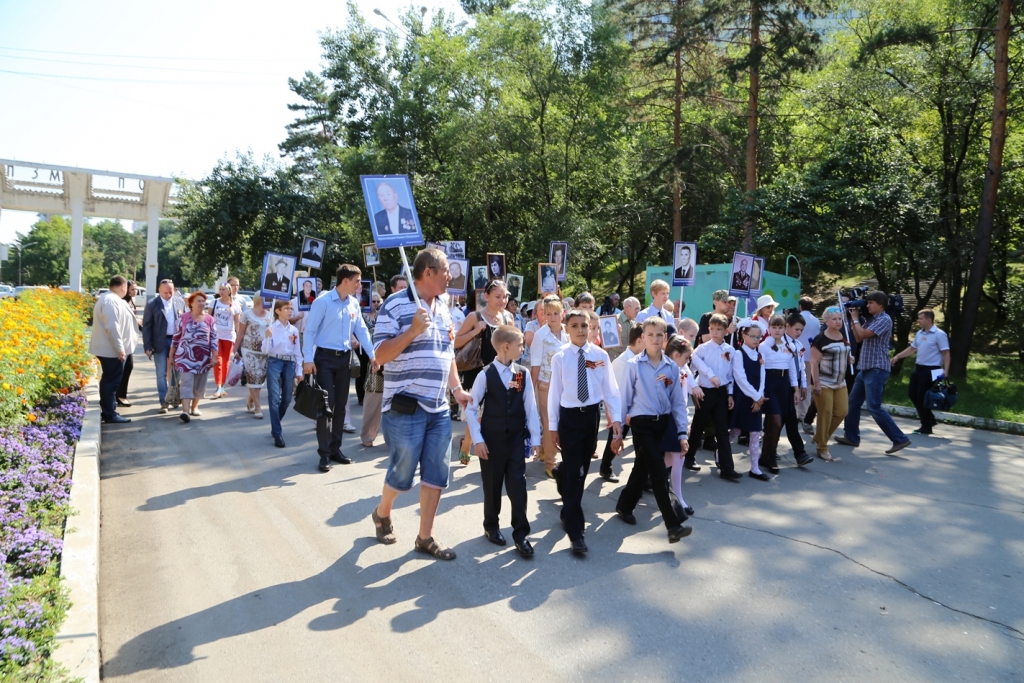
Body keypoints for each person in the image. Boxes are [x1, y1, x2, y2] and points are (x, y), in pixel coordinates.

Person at [369, 247, 472, 561]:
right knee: (402, 476)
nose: (450, 277)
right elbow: (379, 356)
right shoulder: (396, 304)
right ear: (428, 272)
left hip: (438, 407)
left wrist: (456, 389)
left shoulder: (444, 307)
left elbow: (446, 354)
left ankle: (424, 537)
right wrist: (412, 330)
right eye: (446, 272)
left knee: (436, 474)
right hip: (405, 406)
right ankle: (382, 512)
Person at [547, 309, 621, 555]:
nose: (580, 330)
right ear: (567, 328)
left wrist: (616, 419)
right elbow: (554, 394)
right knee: (577, 474)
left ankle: (562, 477)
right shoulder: (560, 357)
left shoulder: (600, 356)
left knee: (578, 470)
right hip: (569, 417)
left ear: (592, 328)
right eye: (575, 326)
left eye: (584, 326)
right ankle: (575, 530)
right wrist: (553, 427)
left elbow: (610, 389)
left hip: (590, 417)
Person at [613, 317, 692, 543]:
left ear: (665, 338)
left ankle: (624, 504)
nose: (655, 339)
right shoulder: (633, 365)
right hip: (641, 424)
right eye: (650, 335)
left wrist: (682, 434)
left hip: (663, 424)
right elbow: (624, 398)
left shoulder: (671, 368)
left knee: (642, 467)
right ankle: (673, 523)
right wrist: (618, 434)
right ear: (643, 338)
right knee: (658, 471)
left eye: (659, 335)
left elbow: (678, 402)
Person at [465, 325, 541, 557]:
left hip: (516, 439)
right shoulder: (485, 375)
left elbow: (531, 406)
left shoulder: (522, 374)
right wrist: (477, 440)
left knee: (518, 486)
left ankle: (521, 534)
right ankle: (491, 526)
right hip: (491, 440)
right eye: (520, 345)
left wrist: (536, 438)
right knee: (492, 485)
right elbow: (470, 408)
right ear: (506, 347)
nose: (523, 349)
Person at [302, 264, 376, 472]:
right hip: (324, 359)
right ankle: (324, 454)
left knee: (341, 405)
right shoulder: (322, 302)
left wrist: (372, 355)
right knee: (327, 406)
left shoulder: (353, 303)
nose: (359, 285)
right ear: (345, 281)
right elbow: (309, 332)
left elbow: (361, 330)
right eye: (357, 281)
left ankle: (336, 449)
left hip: (344, 360)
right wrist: (308, 359)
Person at [836, 291, 912, 454]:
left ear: (881, 305)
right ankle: (851, 437)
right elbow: (858, 338)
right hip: (866, 368)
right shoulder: (872, 319)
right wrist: (853, 319)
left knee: (874, 407)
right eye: (867, 302)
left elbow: (862, 334)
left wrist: (856, 319)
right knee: (852, 403)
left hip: (877, 368)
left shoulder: (884, 319)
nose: (868, 305)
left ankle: (900, 439)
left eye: (871, 303)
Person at [454, 279, 513, 464]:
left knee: (495, 412)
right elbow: (455, 342)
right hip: (477, 371)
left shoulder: (508, 318)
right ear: (486, 296)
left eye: (505, 297)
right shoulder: (475, 317)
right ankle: (467, 444)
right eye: (498, 296)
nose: (502, 301)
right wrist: (475, 331)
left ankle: (484, 447)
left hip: (500, 370)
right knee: (476, 412)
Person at [687, 313, 740, 480]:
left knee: (722, 430)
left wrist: (730, 394)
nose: (715, 332)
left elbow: (730, 375)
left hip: (722, 393)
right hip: (706, 392)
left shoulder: (730, 350)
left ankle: (727, 468)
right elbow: (694, 365)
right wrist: (701, 383)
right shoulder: (702, 348)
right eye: (712, 329)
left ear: (726, 331)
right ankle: (689, 457)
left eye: (719, 329)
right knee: (698, 426)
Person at [890, 309, 950, 436]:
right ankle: (930, 418)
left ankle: (926, 426)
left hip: (932, 369)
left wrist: (946, 370)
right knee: (912, 394)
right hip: (919, 368)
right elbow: (912, 349)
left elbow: (946, 353)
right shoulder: (919, 333)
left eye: (921, 318)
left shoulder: (939, 334)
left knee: (922, 396)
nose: (918, 320)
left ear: (929, 320)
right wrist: (897, 357)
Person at [90, 276, 138, 424]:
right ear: (123, 286)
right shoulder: (111, 301)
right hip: (111, 351)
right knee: (111, 382)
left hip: (111, 349)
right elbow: (112, 327)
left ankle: (109, 411)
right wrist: (120, 349)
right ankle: (109, 413)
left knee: (110, 380)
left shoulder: (110, 299)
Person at [530, 296, 569, 478]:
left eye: (555, 313)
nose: (552, 318)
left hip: (567, 385)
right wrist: (531, 390)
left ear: (562, 313)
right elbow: (535, 365)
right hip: (546, 384)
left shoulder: (568, 332)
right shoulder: (540, 335)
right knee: (549, 421)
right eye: (548, 314)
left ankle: (551, 451)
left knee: (563, 421)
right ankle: (550, 463)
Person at [599, 323, 644, 482]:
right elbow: (613, 390)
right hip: (623, 410)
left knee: (641, 444)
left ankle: (642, 478)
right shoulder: (621, 362)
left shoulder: (642, 359)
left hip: (638, 409)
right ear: (639, 341)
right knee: (616, 438)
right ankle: (605, 467)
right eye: (648, 337)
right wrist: (615, 414)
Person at [809, 306, 852, 460]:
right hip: (824, 382)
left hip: (840, 382)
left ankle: (820, 436)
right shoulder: (820, 338)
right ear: (826, 321)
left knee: (842, 412)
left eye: (839, 318)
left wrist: (849, 359)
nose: (838, 321)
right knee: (825, 413)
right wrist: (817, 383)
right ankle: (822, 447)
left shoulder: (842, 335)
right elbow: (813, 362)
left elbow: (843, 352)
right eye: (834, 319)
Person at [169, 291, 218, 423]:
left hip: (203, 359)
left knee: (199, 385)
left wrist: (214, 356)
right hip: (185, 357)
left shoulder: (209, 319)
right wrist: (171, 355)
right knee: (186, 383)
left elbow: (213, 339)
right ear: (191, 303)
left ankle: (194, 407)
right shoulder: (184, 317)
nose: (202, 303)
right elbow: (176, 337)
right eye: (199, 301)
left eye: (203, 301)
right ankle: (185, 411)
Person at [262, 300, 303, 448]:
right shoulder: (271, 328)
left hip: (289, 363)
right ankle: (277, 433)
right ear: (278, 311)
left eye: (291, 308)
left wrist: (299, 371)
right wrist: (267, 337)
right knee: (274, 397)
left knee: (286, 398)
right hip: (275, 361)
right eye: (286, 308)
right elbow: (265, 351)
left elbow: (297, 352)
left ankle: (276, 422)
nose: (290, 311)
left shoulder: (293, 330)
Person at [732, 322, 769, 480]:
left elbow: (762, 377)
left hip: (757, 398)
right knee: (736, 431)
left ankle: (755, 468)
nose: (756, 339)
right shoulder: (739, 353)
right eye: (752, 336)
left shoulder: (760, 354)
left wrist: (760, 397)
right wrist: (755, 396)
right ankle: (720, 455)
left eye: (758, 337)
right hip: (743, 397)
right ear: (744, 336)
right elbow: (740, 378)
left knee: (755, 433)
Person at [142, 279, 183, 414]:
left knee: (177, 371)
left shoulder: (179, 302)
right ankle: (164, 402)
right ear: (159, 290)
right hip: (159, 342)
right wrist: (147, 346)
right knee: (162, 373)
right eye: (165, 292)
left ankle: (174, 397)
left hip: (176, 341)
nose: (168, 295)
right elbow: (147, 326)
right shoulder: (152, 304)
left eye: (170, 292)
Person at [233, 295, 272, 419]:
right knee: (252, 375)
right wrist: (234, 350)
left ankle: (251, 398)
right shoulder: (246, 314)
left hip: (264, 350)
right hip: (248, 349)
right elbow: (240, 333)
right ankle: (258, 407)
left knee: (260, 378)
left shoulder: (270, 315)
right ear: (259, 300)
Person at [360, 293, 386, 447]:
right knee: (373, 405)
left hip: (399, 372)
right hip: (378, 371)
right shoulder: (375, 329)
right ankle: (367, 436)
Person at [210, 283, 241, 399]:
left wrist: (238, 338)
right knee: (218, 360)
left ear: (229, 291)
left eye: (224, 289)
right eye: (220, 289)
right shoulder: (214, 303)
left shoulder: (236, 305)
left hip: (229, 336)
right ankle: (218, 387)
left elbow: (237, 323)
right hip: (216, 335)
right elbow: (209, 319)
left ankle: (222, 386)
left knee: (226, 362)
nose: (222, 291)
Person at [116, 280, 143, 408]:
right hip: (123, 339)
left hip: (129, 339)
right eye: (132, 289)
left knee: (128, 366)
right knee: (124, 367)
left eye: (136, 289)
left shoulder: (131, 301)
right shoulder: (122, 302)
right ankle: (120, 396)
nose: (135, 291)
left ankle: (121, 395)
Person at [355, 292, 382, 407]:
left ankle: (373, 392)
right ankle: (361, 396)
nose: (375, 304)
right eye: (373, 301)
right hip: (363, 347)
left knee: (374, 370)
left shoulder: (380, 314)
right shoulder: (361, 314)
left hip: (377, 346)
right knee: (362, 371)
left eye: (377, 301)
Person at [797, 297, 820, 425]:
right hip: (811, 355)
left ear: (801, 306)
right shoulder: (816, 321)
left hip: (797, 355)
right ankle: (804, 412)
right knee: (807, 385)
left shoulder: (796, 319)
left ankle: (798, 412)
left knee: (798, 384)